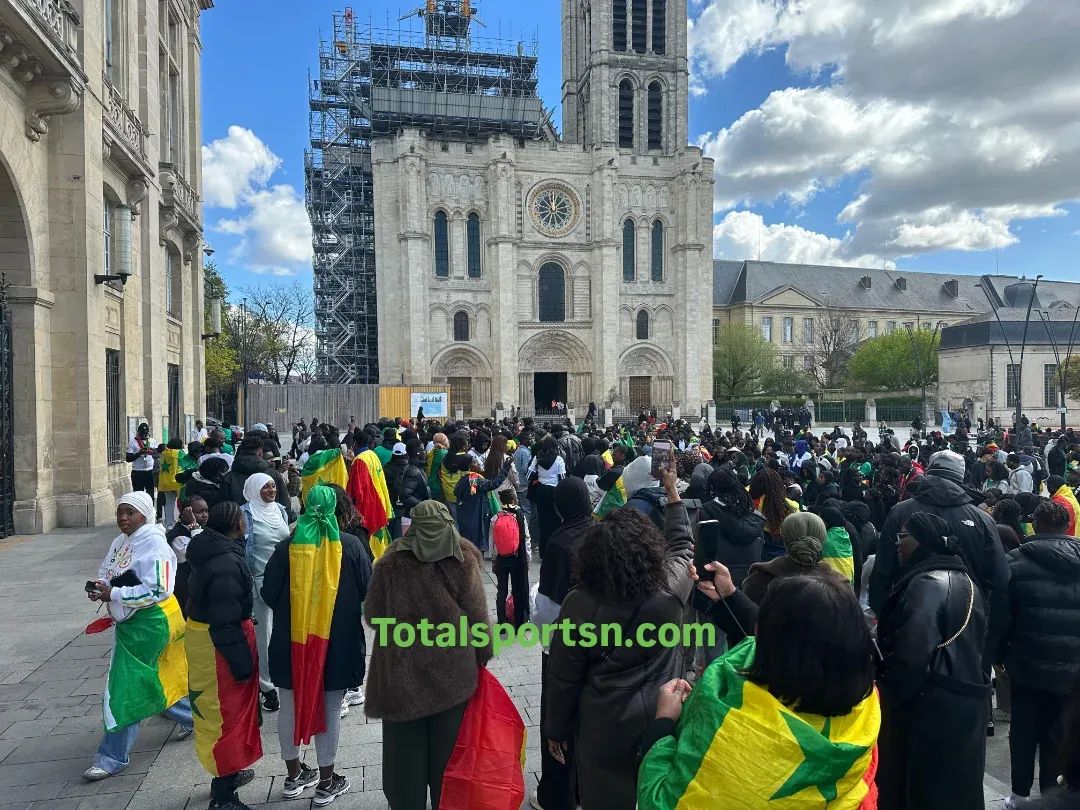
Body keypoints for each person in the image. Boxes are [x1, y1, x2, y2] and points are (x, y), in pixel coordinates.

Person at [637, 576, 879, 809]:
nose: (754, 630)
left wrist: (663, 724)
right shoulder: (863, 704)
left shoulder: (732, 745)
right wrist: (730, 597)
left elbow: (660, 802)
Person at [545, 469, 694, 810]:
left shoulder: (580, 604)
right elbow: (684, 547)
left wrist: (556, 728)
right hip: (662, 710)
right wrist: (672, 491)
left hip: (604, 722)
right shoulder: (671, 589)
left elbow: (563, 676)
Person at [364, 500, 493, 810]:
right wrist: (483, 653)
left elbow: (372, 614)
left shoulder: (391, 561)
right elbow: (478, 620)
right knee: (448, 760)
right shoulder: (462, 558)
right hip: (453, 679)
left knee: (403, 761)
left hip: (401, 680)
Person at [261, 485, 370, 806]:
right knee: (332, 708)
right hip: (337, 642)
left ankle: (294, 775)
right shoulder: (350, 545)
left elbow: (268, 593)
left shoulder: (287, 547)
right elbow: (367, 589)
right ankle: (326, 781)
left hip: (291, 641)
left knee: (288, 706)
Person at [875, 512, 990, 809]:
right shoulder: (965, 578)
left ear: (922, 540)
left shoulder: (927, 583)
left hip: (930, 708)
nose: (897, 544)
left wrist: (886, 695)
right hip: (963, 701)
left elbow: (911, 655)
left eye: (903, 537)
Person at [83, 492, 192, 781]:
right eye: (120, 512)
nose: (123, 518)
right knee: (154, 682)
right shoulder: (121, 541)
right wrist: (101, 586)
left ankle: (111, 757)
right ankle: (200, 719)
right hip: (132, 626)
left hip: (153, 624)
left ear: (144, 514)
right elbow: (108, 570)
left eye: (130, 513)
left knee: (126, 689)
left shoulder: (154, 543)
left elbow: (159, 589)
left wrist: (114, 594)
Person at [871, 449, 1010, 668]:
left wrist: (888, 622)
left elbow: (881, 573)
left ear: (929, 472)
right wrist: (987, 639)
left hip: (908, 629)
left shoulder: (900, 512)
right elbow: (1000, 579)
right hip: (967, 629)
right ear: (961, 478)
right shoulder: (982, 519)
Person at [185, 502, 262, 810]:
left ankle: (229, 772)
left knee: (219, 713)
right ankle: (223, 794)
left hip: (209, 641)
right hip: (220, 647)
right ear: (236, 524)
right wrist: (241, 663)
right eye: (242, 519)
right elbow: (225, 619)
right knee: (225, 717)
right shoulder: (225, 564)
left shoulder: (214, 550)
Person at [1003, 500, 1080, 802]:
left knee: (1023, 732)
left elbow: (1003, 615)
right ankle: (1051, 793)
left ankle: (1019, 794)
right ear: (1067, 526)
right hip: (1072, 667)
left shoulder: (1015, 561)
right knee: (1059, 731)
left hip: (1026, 664)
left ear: (1034, 524)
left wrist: (1000, 654)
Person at [532, 476, 595, 810]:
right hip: (601, 642)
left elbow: (547, 609)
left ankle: (556, 795)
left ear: (559, 507)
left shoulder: (559, 542)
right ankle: (584, 789)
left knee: (558, 718)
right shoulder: (601, 532)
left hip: (564, 646)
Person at [241, 472, 291, 713]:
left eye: (273, 486)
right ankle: (267, 687)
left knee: (282, 632)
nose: (271, 490)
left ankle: (281, 676)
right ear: (254, 489)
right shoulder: (244, 514)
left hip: (283, 580)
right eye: (265, 487)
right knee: (264, 636)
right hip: (258, 582)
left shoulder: (280, 510)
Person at [741, 511, 847, 605]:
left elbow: (747, 616)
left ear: (785, 539)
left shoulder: (760, 578)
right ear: (822, 538)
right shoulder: (840, 587)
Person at [697, 468, 765, 586]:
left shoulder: (707, 510)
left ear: (713, 487)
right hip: (750, 577)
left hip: (719, 575)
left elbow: (704, 548)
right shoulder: (750, 509)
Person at [454, 456, 511, 554]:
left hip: (467, 519)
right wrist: (505, 468)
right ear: (470, 466)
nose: (479, 464)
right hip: (474, 520)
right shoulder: (473, 479)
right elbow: (493, 484)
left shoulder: (464, 479)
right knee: (474, 550)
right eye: (475, 462)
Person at [490, 489, 530, 626]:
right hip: (516, 558)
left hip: (501, 559)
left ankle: (501, 621)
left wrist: (494, 559)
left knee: (501, 590)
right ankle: (519, 621)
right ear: (513, 501)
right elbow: (526, 539)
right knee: (517, 589)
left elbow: (492, 542)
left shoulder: (495, 518)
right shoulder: (519, 517)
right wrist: (527, 559)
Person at [229, 436, 294, 521]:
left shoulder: (229, 477)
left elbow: (224, 508)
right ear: (260, 452)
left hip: (238, 524)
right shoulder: (273, 474)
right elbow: (284, 503)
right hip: (270, 523)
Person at [167, 495, 210, 616]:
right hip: (186, 589)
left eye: (206, 511)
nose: (205, 515)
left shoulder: (204, 528)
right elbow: (201, 552)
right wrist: (194, 526)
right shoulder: (178, 537)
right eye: (199, 512)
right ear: (186, 513)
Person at [528, 434, 566, 558]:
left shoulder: (537, 457)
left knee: (543, 521)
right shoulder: (559, 459)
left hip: (540, 490)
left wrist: (538, 478)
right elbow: (562, 478)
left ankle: (543, 552)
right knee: (555, 521)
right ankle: (554, 551)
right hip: (554, 491)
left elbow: (529, 475)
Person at [127, 423, 157, 498]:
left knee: (150, 493)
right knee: (138, 495)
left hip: (150, 471)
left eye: (145, 433)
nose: (143, 435)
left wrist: (152, 451)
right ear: (138, 432)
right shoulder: (132, 442)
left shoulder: (152, 441)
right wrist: (139, 453)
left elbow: (157, 455)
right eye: (142, 433)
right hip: (137, 471)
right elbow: (128, 458)